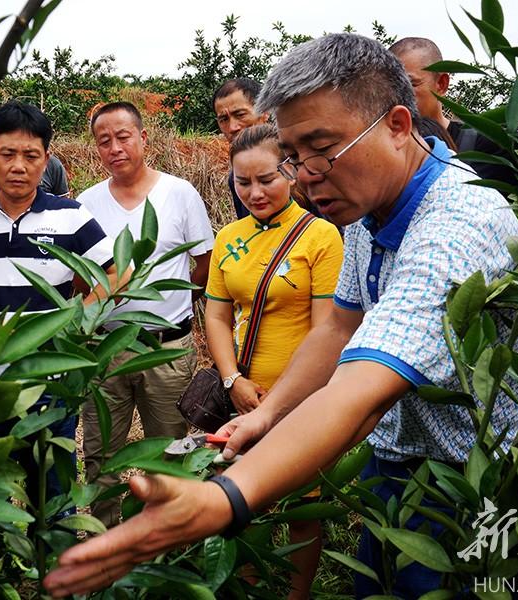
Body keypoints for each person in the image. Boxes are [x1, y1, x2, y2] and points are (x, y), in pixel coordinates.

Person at [44, 33, 518, 598]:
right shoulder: (368, 210)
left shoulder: (456, 225)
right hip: (400, 460)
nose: (304, 176)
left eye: (321, 148)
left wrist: (226, 496)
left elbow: (360, 392)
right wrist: (266, 415)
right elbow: (338, 326)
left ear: (399, 126)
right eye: (293, 156)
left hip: (476, 480)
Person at [0, 101, 120, 501]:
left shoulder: (70, 215)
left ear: (46, 160)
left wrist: (74, 320)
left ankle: (53, 556)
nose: (18, 166)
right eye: (7, 154)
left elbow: (115, 273)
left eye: (30, 156)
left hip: (51, 375)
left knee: (52, 488)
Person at [206, 123, 343, 599]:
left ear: (290, 171)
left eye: (266, 179)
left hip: (300, 398)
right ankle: (249, 587)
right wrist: (232, 380)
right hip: (241, 396)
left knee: (303, 506)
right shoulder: (229, 237)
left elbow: (328, 328)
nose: (254, 192)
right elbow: (217, 316)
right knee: (245, 499)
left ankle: (296, 593)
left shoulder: (320, 236)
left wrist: (286, 399)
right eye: (243, 182)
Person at [78, 101, 214, 527]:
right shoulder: (87, 203)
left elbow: (203, 263)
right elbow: (81, 275)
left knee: (168, 450)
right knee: (101, 451)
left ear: (143, 139)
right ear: (97, 149)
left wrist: (173, 303)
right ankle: (105, 536)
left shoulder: (179, 194)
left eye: (123, 136)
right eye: (104, 141)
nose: (115, 147)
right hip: (107, 348)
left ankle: (162, 540)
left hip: (167, 347)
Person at [389, 37, 516, 186]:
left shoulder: (488, 147)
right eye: (390, 87)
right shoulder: (384, 150)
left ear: (441, 84)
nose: (398, 96)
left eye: (411, 85)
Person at [212, 78, 269, 219]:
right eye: (224, 119)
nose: (232, 128)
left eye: (240, 115)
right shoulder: (235, 177)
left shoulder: (296, 160)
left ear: (264, 111)